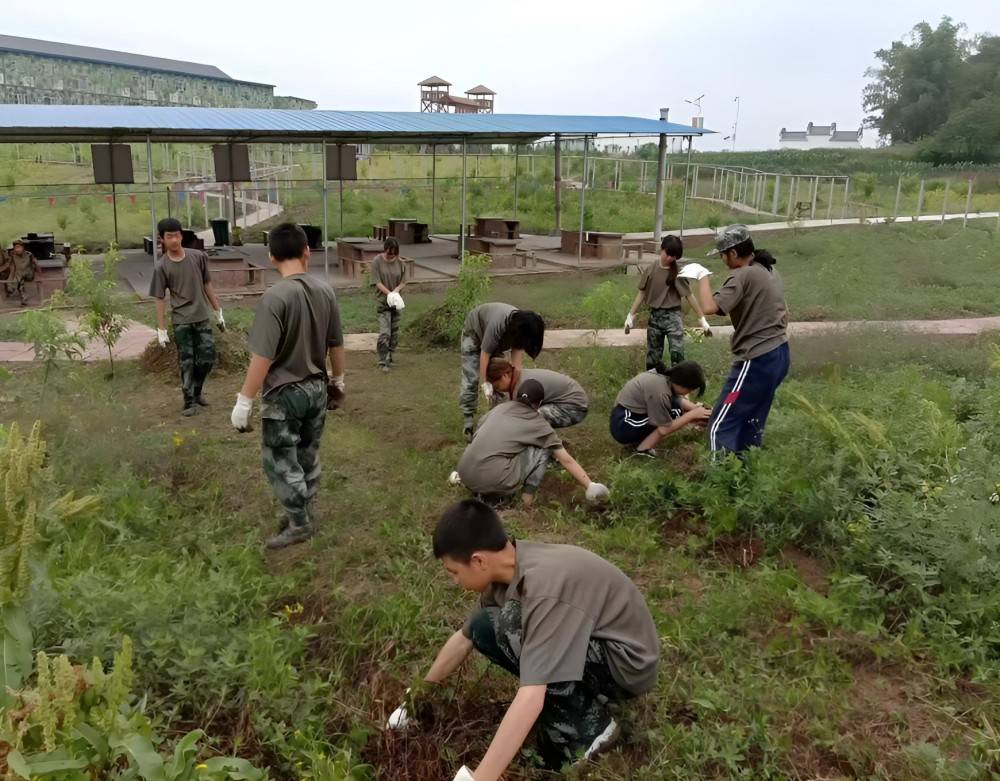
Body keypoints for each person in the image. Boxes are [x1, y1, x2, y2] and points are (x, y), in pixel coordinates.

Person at [387, 500, 660, 779]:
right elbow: (465, 637)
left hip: (626, 666)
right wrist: (415, 699)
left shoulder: (542, 589)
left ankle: (591, 730)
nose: (455, 582)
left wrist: (482, 777)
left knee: (512, 626)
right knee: (485, 624)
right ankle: (571, 710)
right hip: (596, 643)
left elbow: (531, 694)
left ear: (478, 560)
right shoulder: (511, 564)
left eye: (454, 572)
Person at [230, 222, 346, 550]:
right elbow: (337, 344)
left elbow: (263, 356)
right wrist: (338, 381)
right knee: (308, 453)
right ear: (307, 251)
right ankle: (306, 509)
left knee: (281, 458)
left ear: (271, 257)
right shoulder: (326, 290)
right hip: (317, 389)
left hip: (285, 394)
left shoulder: (274, 297)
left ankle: (299, 523)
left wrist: (244, 400)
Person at [695, 224, 790, 454]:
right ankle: (747, 471)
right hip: (780, 353)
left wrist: (701, 277)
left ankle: (720, 482)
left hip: (756, 360)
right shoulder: (767, 269)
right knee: (752, 420)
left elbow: (709, 307)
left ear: (734, 253)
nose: (723, 260)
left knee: (720, 424)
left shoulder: (742, 274)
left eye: (723, 255)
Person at [452, 379, 607, 507]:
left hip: (465, 472)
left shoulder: (498, 409)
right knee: (544, 448)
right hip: (494, 480)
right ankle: (526, 501)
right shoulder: (539, 424)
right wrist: (589, 485)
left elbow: (479, 434)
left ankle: (472, 485)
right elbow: (566, 459)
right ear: (539, 404)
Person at [149, 218, 225, 416]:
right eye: (169, 236)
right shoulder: (162, 267)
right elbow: (159, 297)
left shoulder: (198, 257)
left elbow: (207, 283)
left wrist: (218, 311)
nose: (174, 240)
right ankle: (189, 401)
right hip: (181, 320)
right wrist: (161, 328)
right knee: (187, 361)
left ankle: (198, 392)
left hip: (201, 315)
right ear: (162, 240)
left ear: (181, 235)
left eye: (176, 235)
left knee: (207, 357)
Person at [460, 303, 545, 442]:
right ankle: (468, 423)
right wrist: (485, 384)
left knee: (499, 376)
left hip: (496, 341)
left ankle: (498, 420)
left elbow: (516, 368)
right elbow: (484, 355)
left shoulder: (522, 328)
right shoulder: (498, 323)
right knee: (472, 378)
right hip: (474, 333)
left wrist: (515, 392)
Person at [624, 235, 712, 369]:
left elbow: (689, 296)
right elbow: (642, 293)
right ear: (661, 249)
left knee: (677, 354)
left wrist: (702, 320)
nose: (670, 258)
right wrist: (631, 316)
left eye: (674, 256)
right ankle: (654, 384)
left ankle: (679, 385)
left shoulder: (678, 272)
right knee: (653, 358)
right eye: (668, 254)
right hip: (655, 317)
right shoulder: (651, 269)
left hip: (673, 317)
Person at [610, 361, 711, 455]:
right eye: (690, 390)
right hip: (623, 424)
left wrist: (695, 409)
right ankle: (642, 450)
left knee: (676, 410)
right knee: (673, 415)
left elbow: (676, 401)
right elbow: (664, 429)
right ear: (684, 385)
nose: (689, 393)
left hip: (629, 415)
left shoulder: (665, 379)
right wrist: (691, 416)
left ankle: (641, 444)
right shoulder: (660, 391)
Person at [485, 358, 588, 429]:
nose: (498, 390)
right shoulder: (519, 376)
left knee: (528, 419)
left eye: (497, 386)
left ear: (505, 376)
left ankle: (550, 450)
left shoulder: (522, 388)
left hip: (575, 408)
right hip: (568, 401)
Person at [371, 237, 406, 372]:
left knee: (395, 333)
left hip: (396, 303)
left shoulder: (401, 263)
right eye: (388, 253)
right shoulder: (377, 262)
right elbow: (376, 281)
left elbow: (404, 281)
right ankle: (382, 361)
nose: (390, 255)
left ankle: (390, 356)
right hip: (382, 303)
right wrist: (389, 293)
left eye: (393, 253)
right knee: (385, 332)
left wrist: (395, 292)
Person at [2, 240, 39, 307]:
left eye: (19, 247)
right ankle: (24, 300)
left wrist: (40, 274)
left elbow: (36, 264)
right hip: (20, 276)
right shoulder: (13, 255)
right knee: (20, 283)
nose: (17, 249)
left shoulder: (29, 255)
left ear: (23, 247)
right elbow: (7, 264)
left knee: (20, 274)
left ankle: (12, 287)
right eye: (16, 248)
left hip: (29, 273)